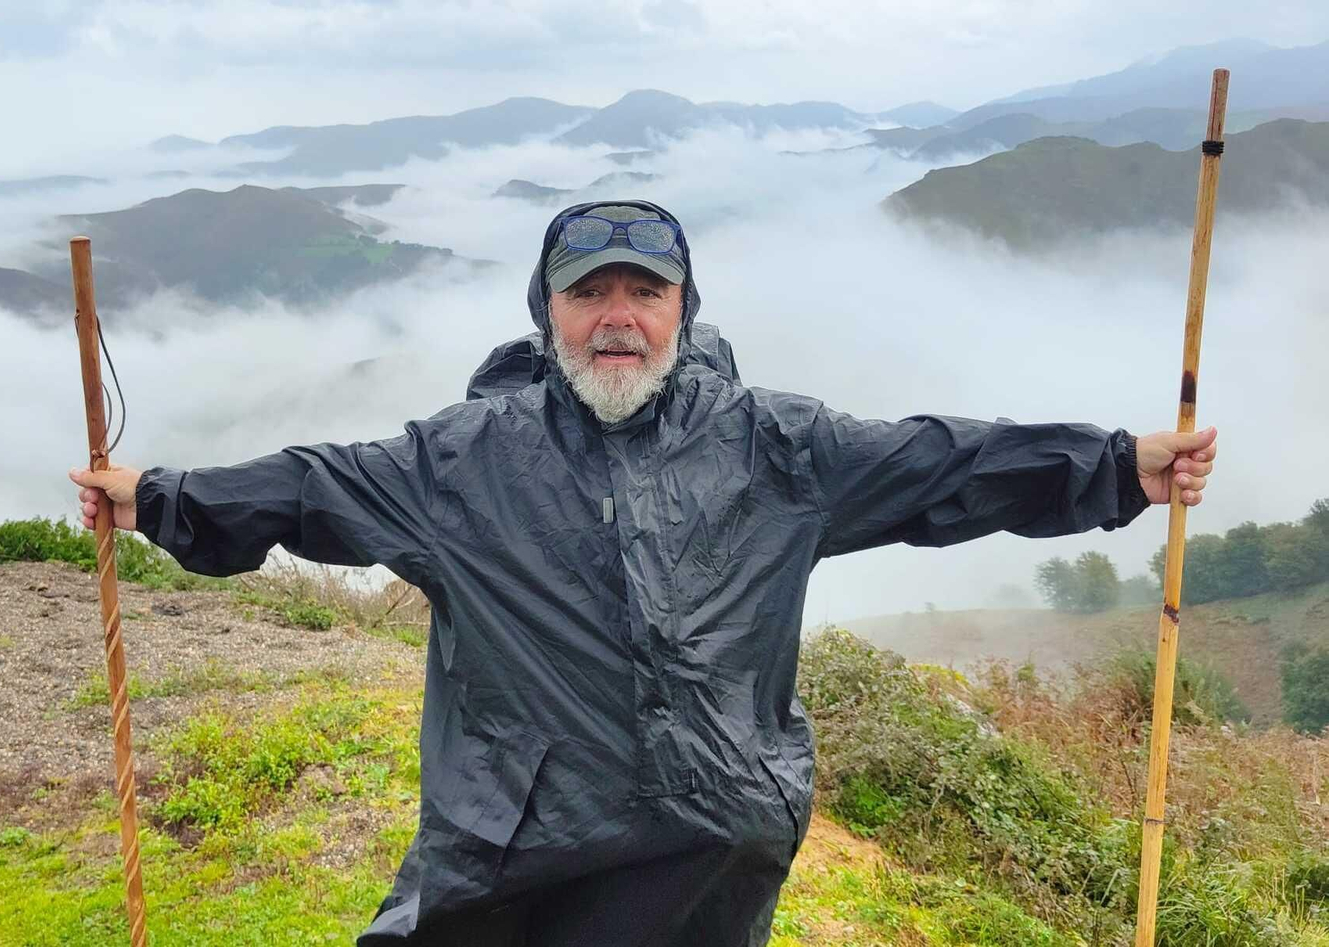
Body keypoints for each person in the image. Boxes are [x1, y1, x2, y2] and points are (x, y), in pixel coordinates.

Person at [69, 200, 1218, 946]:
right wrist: (162, 495)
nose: (616, 317)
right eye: (589, 292)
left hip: (702, 834)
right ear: (548, 310)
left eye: (642, 291)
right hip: (509, 840)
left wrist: (1116, 465)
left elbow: (942, 464)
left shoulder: (777, 446)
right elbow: (313, 483)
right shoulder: (460, 462)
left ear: (679, 308)